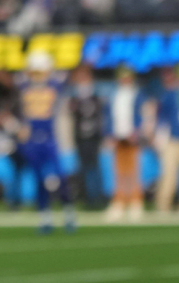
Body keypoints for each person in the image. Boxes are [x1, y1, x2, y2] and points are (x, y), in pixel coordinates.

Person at [17, 51, 77, 233]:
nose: (37, 75)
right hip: (33, 140)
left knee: (59, 177)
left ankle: (69, 214)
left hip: (50, 138)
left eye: (40, 71)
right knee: (38, 180)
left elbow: (69, 72)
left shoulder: (54, 85)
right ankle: (45, 217)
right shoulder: (24, 87)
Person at [106, 64, 145, 221]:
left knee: (134, 172)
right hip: (118, 137)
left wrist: (136, 131)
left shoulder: (137, 93)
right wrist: (109, 134)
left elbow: (141, 115)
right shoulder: (114, 94)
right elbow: (109, 116)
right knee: (119, 172)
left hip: (132, 137)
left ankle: (135, 202)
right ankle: (119, 202)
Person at [155, 63, 179, 213]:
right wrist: (160, 137)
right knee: (168, 175)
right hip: (172, 140)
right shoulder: (170, 94)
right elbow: (162, 117)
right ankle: (163, 205)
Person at [69, 64, 106, 210]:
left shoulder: (96, 95)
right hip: (81, 137)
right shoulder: (75, 97)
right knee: (84, 168)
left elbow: (100, 115)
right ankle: (89, 198)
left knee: (95, 168)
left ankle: (98, 197)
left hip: (94, 137)